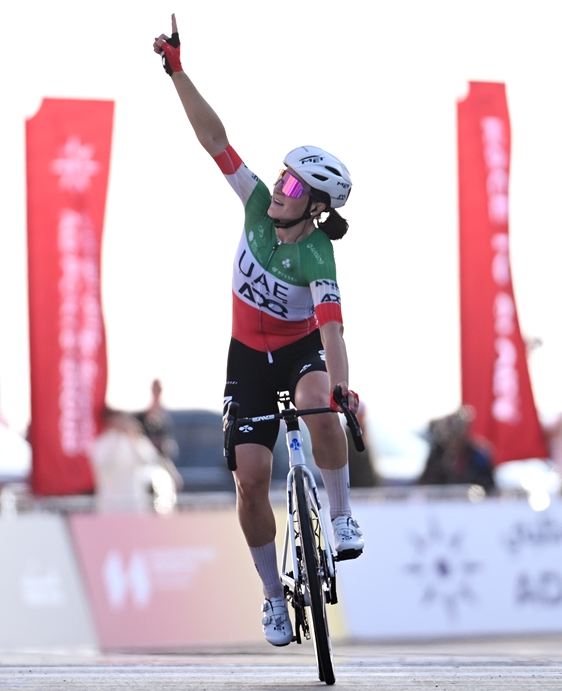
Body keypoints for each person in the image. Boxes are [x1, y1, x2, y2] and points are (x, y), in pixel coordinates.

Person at [153, 15, 363, 647]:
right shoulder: (253, 202)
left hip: (299, 351)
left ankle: (341, 515)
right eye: (283, 174)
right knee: (249, 480)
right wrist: (178, 72)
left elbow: (332, 334)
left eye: (293, 184)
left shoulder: (318, 255)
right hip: (245, 357)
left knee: (319, 406)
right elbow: (213, 139)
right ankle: (273, 597)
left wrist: (342, 390)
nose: (280, 185)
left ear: (315, 207)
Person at [91, 408, 175, 513]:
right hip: (109, 502)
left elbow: (149, 459)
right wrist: (117, 437)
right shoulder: (101, 444)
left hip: (134, 500)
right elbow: (103, 463)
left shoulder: (135, 440)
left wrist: (134, 438)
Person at [417, 405, 495, 491]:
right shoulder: (437, 455)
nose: (453, 443)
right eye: (448, 439)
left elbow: (488, 488)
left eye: (456, 437)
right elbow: (426, 485)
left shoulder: (479, 456)